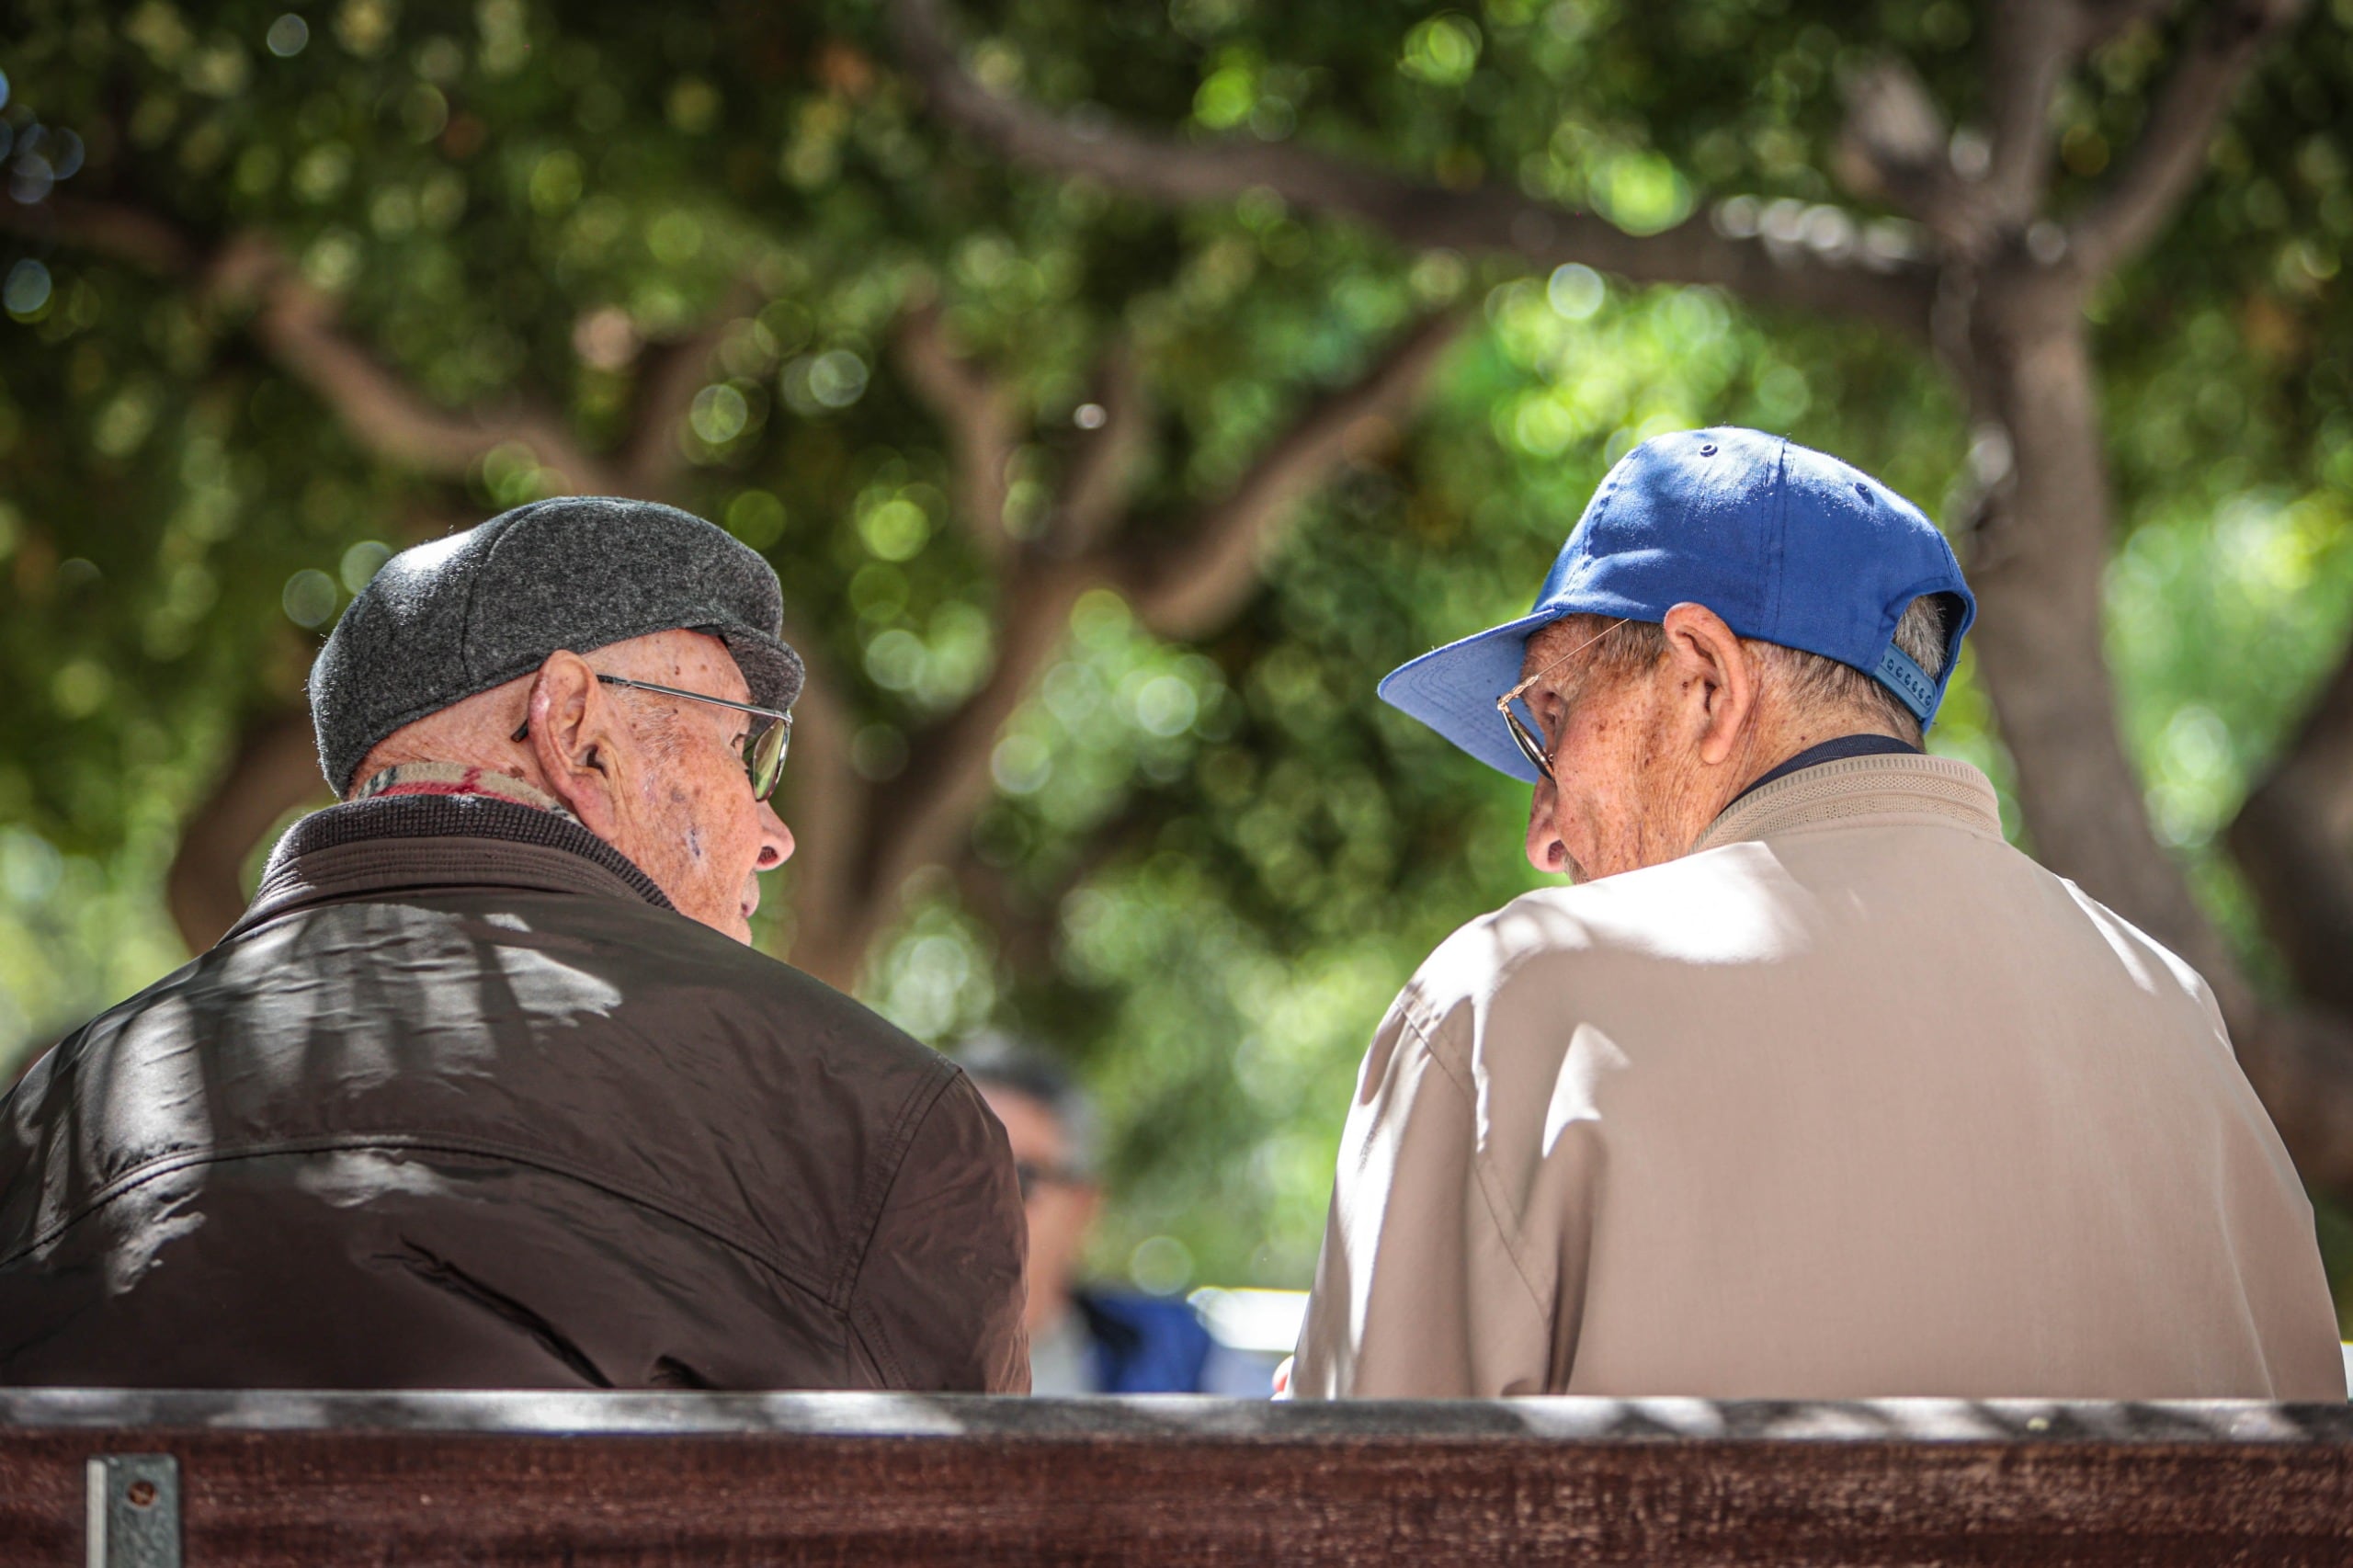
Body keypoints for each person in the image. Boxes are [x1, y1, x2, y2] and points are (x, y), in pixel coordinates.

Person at [1287, 428, 2345, 1401]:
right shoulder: (2179, 1024)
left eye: (1548, 719)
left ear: (1703, 681)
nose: (1543, 832)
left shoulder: (1514, 1001)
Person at [0, 496, 1028, 1392]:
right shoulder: (869, 1117)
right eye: (741, 746)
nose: (773, 830)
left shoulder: (49, 1110)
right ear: (576, 729)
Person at [961, 1036, 1267, 1395]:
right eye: (956, 1174)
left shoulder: (1178, 1354)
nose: (981, 1203)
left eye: (1019, 1178)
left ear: (1082, 1208)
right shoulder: (879, 1368)